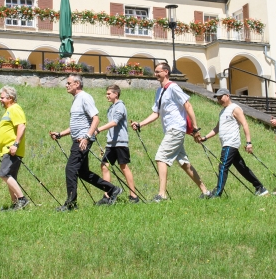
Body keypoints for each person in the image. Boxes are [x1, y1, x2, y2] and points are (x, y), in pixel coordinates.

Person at [131, 62, 210, 202]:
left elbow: (188, 105)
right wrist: (140, 123)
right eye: (155, 72)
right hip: (170, 130)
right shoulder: (159, 91)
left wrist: (195, 128)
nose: (155, 74)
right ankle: (206, 191)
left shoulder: (173, 87)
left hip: (176, 129)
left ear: (166, 72)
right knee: (184, 163)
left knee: (161, 157)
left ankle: (162, 195)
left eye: (158, 71)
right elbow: (156, 113)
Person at [49, 74, 122, 211]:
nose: (66, 85)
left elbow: (96, 119)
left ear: (77, 84)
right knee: (82, 172)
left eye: (69, 82)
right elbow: (78, 124)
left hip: (82, 141)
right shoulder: (76, 99)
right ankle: (112, 189)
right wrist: (60, 134)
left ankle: (71, 204)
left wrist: (87, 137)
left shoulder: (84, 97)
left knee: (70, 169)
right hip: (80, 139)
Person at [199, 88, 268, 197]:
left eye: (220, 97)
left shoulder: (235, 108)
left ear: (227, 96)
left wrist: (249, 142)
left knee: (223, 166)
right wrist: (205, 138)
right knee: (241, 167)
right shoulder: (222, 111)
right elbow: (217, 128)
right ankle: (260, 188)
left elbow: (245, 124)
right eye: (217, 98)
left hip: (231, 143)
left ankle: (217, 193)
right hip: (226, 143)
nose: (219, 100)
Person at [0, 86, 30, 210]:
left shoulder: (15, 109)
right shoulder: (8, 111)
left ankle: (21, 199)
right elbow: (5, 131)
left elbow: (21, 126)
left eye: (2, 97)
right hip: (7, 149)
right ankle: (15, 205)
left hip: (12, 149)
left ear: (10, 98)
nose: (0, 100)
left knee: (4, 174)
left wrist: (15, 144)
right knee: (10, 177)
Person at [95, 84, 140, 204]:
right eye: (106, 94)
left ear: (116, 94)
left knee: (123, 167)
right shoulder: (111, 108)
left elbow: (114, 123)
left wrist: (98, 129)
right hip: (111, 143)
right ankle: (107, 195)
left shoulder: (120, 107)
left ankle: (133, 196)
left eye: (109, 93)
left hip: (120, 142)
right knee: (104, 166)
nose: (107, 96)